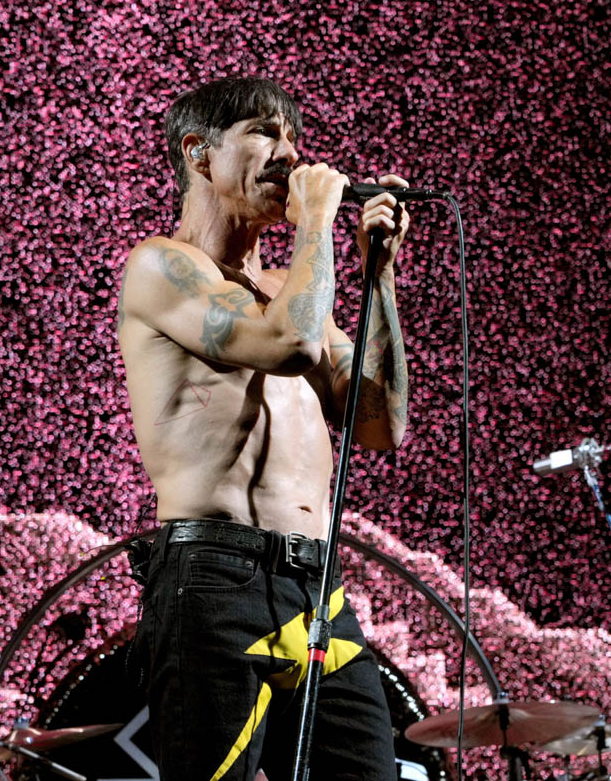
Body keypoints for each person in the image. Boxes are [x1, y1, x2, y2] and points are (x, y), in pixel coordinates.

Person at [117, 76, 410, 781]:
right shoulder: (161, 266)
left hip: (315, 588)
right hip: (215, 577)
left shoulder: (291, 288)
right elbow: (289, 345)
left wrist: (380, 276)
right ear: (199, 152)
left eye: (293, 138)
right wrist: (317, 221)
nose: (290, 154)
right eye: (264, 133)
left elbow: (380, 424)